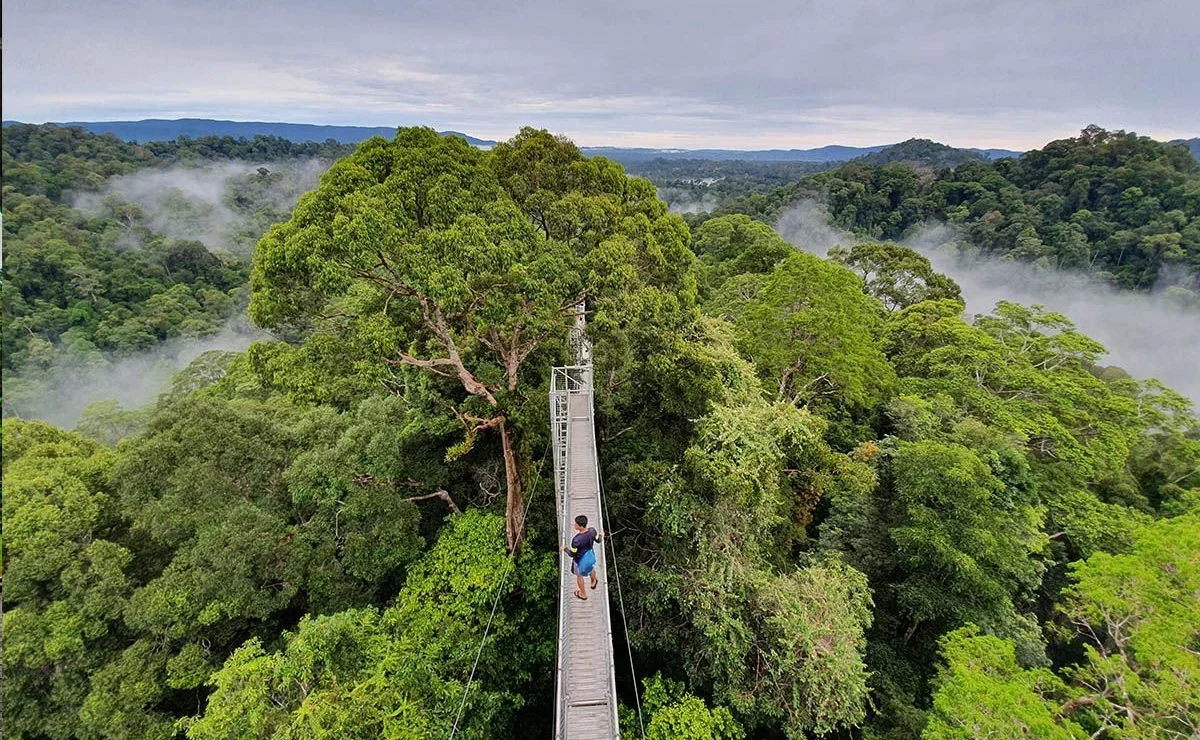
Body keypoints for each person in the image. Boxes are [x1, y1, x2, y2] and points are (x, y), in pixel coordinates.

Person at [562, 514, 603, 600]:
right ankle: (593, 581)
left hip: (579, 560)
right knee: (591, 567)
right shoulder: (592, 531)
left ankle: (583, 594)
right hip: (590, 556)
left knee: (579, 575)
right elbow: (598, 540)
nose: (574, 525)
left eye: (576, 524)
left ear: (580, 526)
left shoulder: (576, 540)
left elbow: (572, 554)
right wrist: (601, 535)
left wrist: (565, 549)